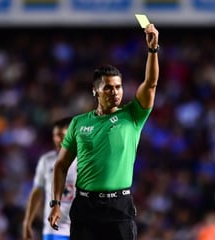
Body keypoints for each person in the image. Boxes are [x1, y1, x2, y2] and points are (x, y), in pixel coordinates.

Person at [47, 23, 159, 240]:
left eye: (118, 87)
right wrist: (56, 203)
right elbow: (60, 165)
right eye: (108, 87)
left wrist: (153, 50)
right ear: (95, 91)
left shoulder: (132, 115)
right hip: (86, 207)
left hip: (119, 207)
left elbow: (151, 83)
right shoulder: (79, 123)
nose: (115, 92)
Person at [22, 117, 76, 240]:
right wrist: (27, 222)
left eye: (62, 136)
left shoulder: (83, 161)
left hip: (79, 226)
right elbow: (37, 191)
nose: (57, 140)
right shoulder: (46, 161)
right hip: (54, 229)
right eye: (55, 135)